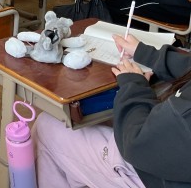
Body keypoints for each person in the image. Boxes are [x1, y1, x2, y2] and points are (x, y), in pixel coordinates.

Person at [34, 33, 191, 187]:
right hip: (168, 150)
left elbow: (137, 143)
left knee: (47, 125)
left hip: (150, 171)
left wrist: (134, 86)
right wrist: (147, 55)